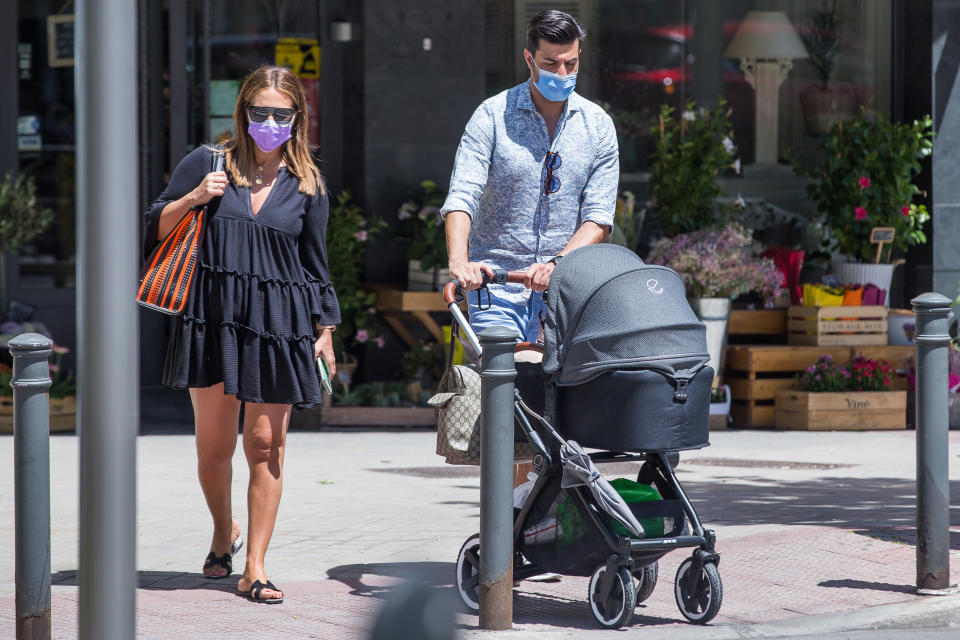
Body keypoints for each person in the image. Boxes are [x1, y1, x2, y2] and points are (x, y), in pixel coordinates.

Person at [144, 65, 339, 604]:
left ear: (297, 118)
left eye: (282, 114)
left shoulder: (308, 184)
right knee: (213, 450)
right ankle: (221, 530)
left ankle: (254, 566)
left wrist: (325, 331)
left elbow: (315, 264)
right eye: (260, 113)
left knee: (264, 445)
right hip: (213, 319)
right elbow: (153, 226)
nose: (270, 123)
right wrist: (193, 199)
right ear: (243, 113)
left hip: (280, 324)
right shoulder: (208, 163)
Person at [441, 9, 618, 343]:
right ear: (529, 59)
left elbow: (598, 217)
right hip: (494, 286)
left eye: (571, 63)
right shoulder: (492, 116)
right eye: (551, 64)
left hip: (564, 293)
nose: (563, 73)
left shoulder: (597, 126)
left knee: (558, 391)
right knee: (502, 382)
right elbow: (462, 194)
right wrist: (459, 261)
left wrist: (556, 264)